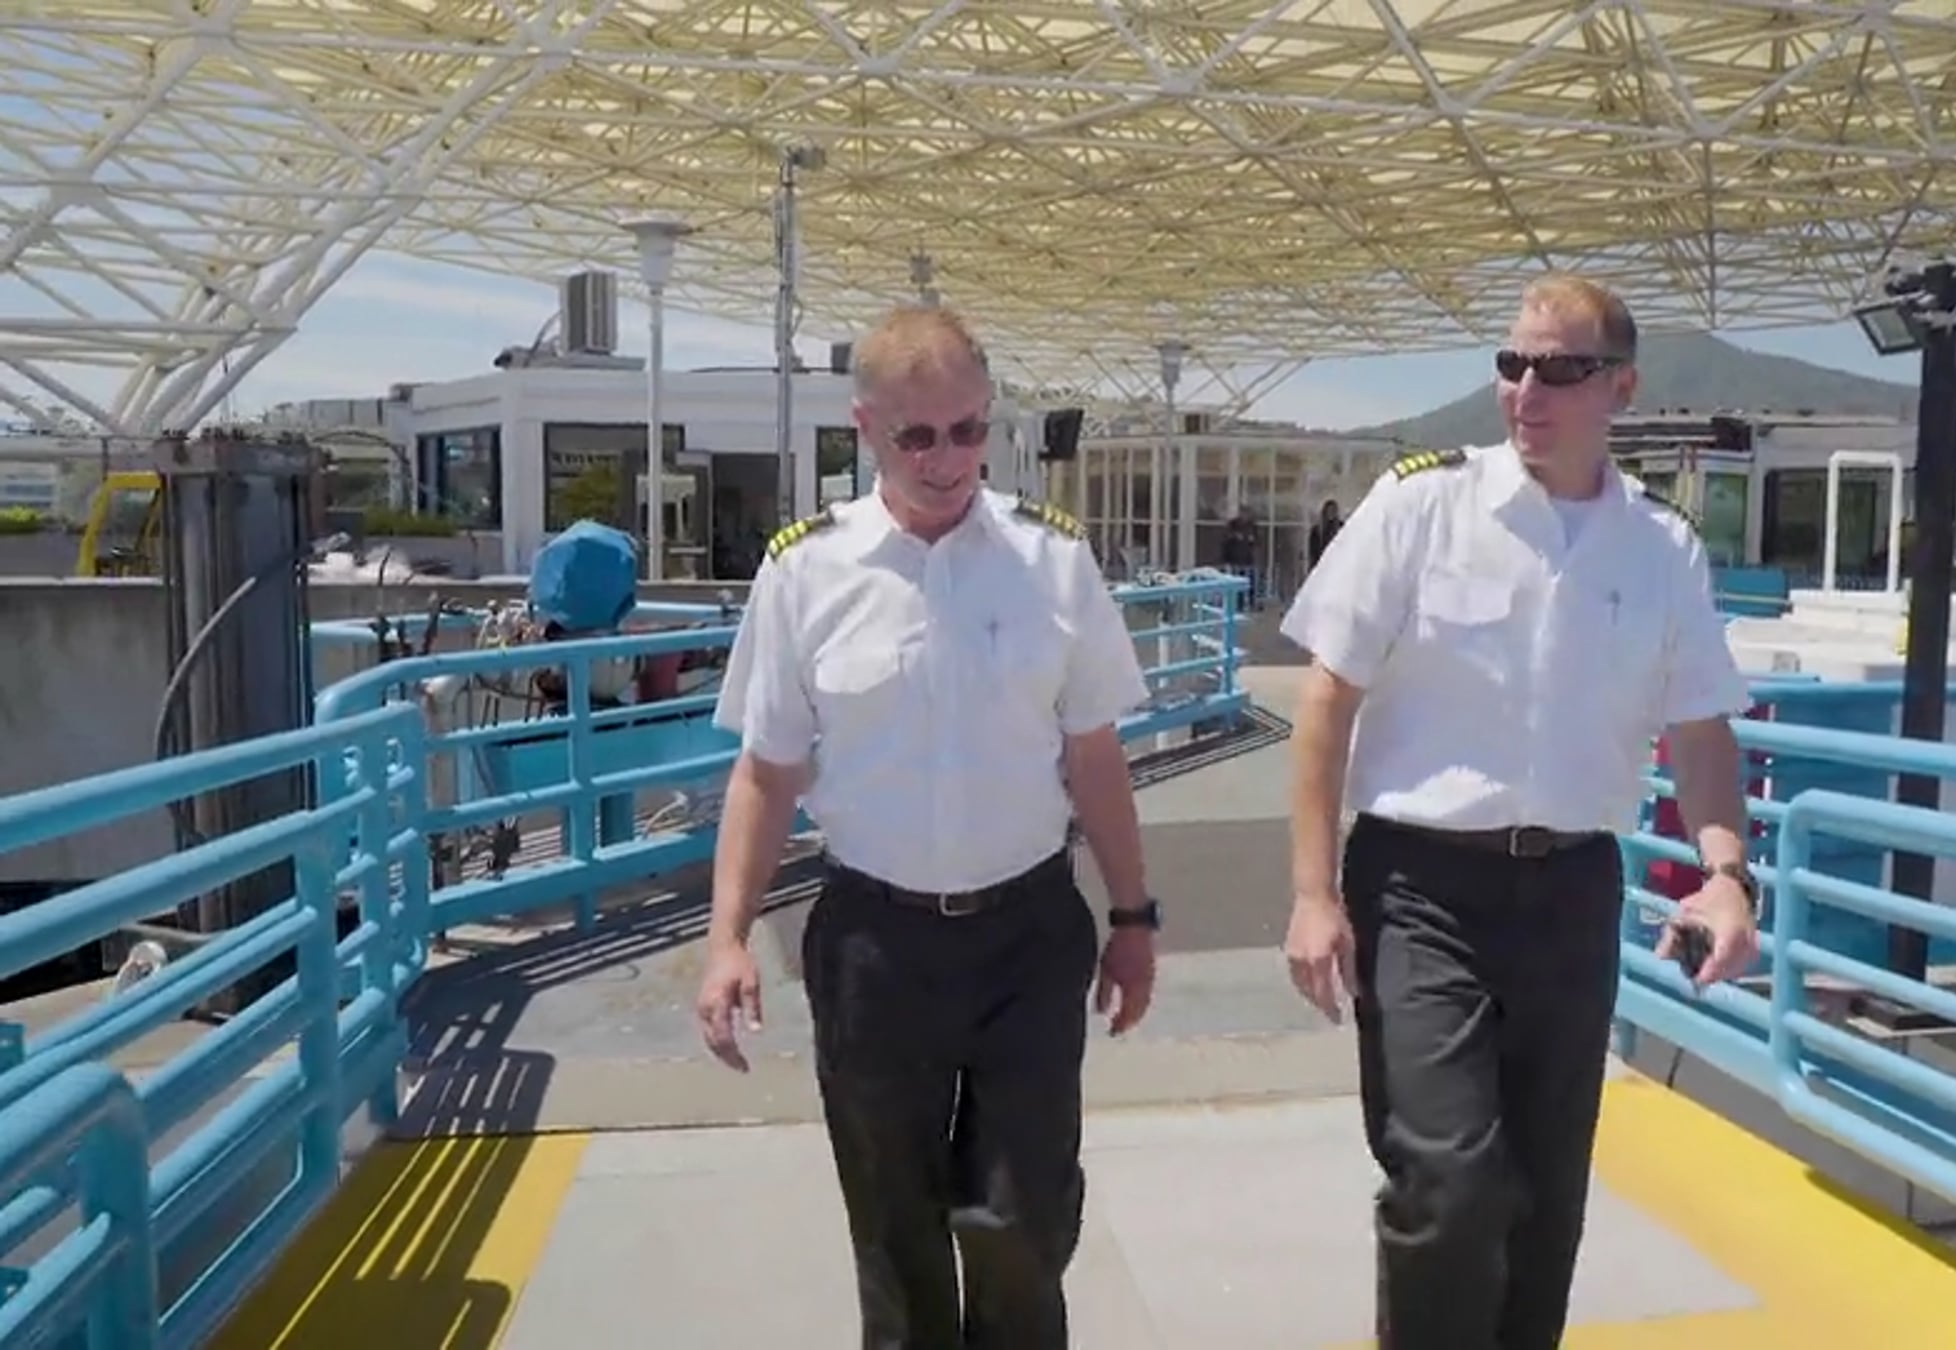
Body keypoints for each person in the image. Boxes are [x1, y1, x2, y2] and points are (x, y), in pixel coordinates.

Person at [1278, 274, 1761, 1350]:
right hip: (1421, 887)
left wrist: (1726, 875)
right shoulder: (1421, 505)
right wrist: (1313, 894)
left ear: (1621, 388)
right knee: (1447, 1181)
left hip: (1572, 891)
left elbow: (1698, 732)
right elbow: (1326, 703)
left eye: (1559, 370)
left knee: (1544, 1200)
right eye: (1512, 365)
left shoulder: (1662, 547)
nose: (1525, 392)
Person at [695, 304, 1162, 1350]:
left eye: (967, 429)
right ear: (866, 428)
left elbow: (1094, 757)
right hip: (875, 947)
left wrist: (1134, 918)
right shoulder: (806, 571)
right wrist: (727, 939)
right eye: (917, 436)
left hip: (1027, 937)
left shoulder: (1054, 563)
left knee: (1020, 1223)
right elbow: (767, 772)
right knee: (895, 1236)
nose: (947, 459)